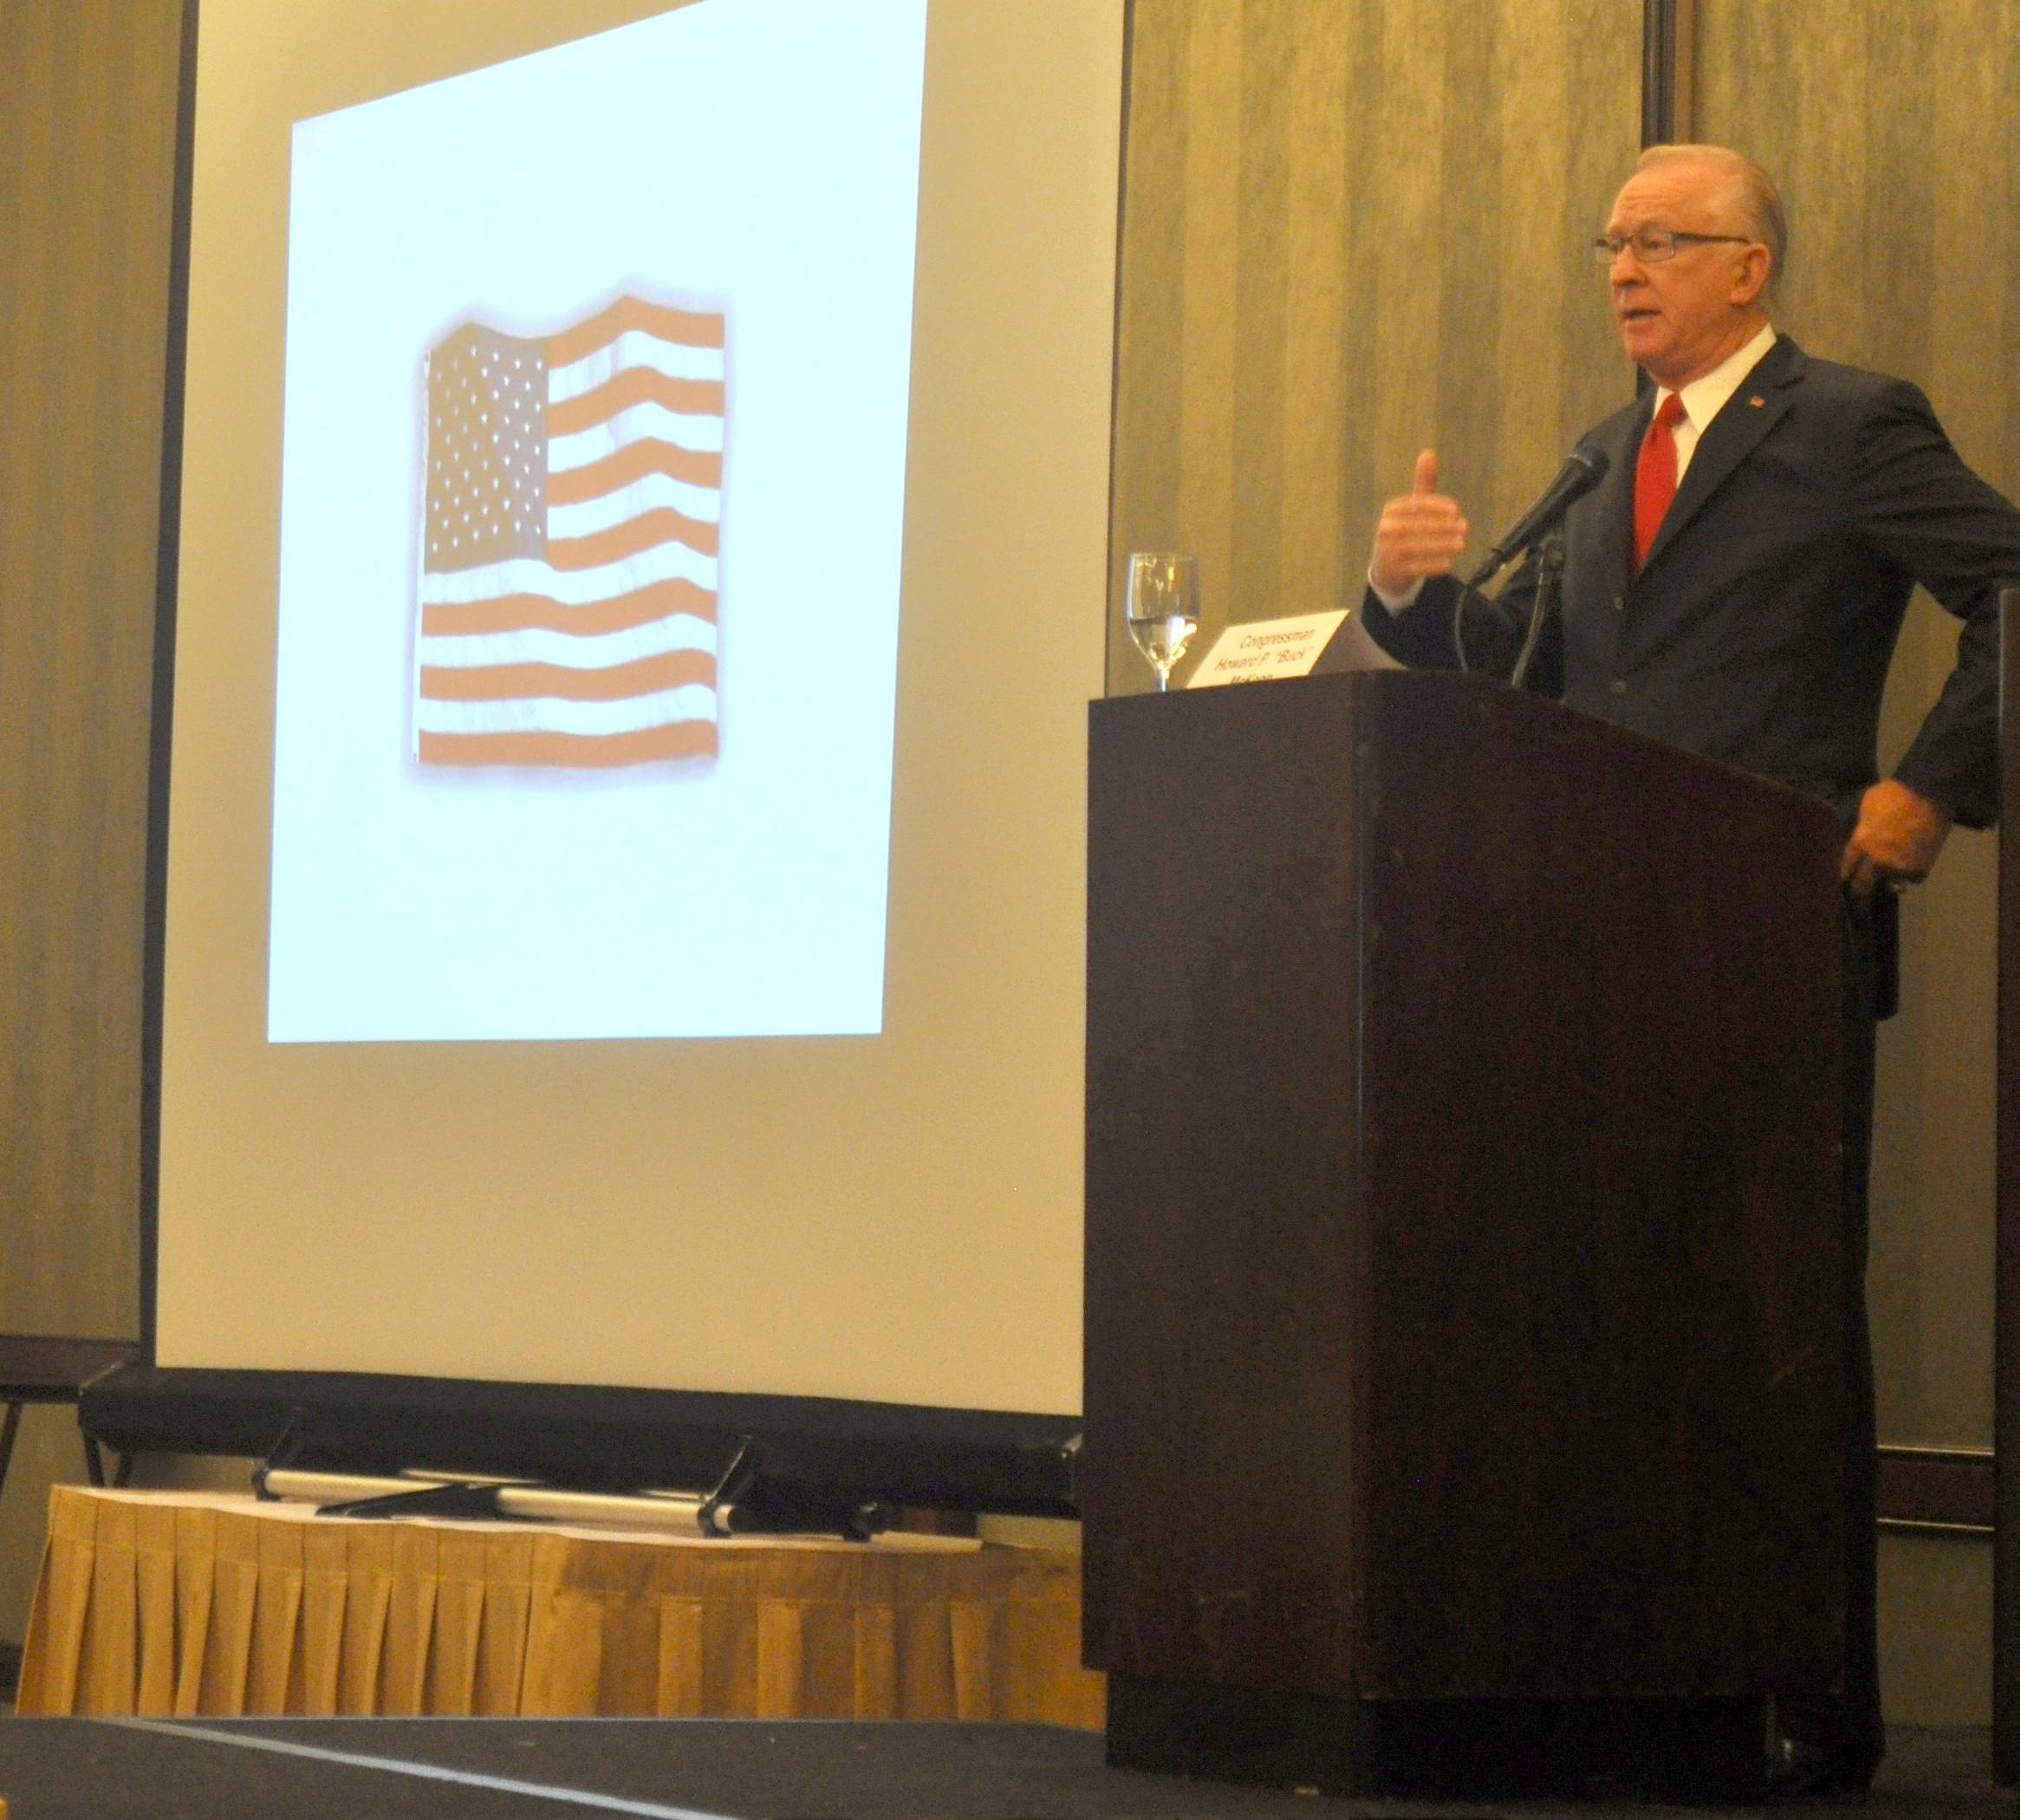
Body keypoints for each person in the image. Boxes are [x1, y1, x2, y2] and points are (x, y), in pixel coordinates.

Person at [1359, 142, 2020, 1793]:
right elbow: (1535, 679)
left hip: (1770, 935)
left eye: (1662, 241)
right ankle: (1631, 1690)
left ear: (1749, 266)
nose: (1625, 269)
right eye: (1613, 242)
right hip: (1594, 956)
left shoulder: (1851, 422)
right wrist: (1411, 601)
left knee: (1773, 1326)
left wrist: (1932, 787)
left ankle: (1806, 1708)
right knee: (1611, 1322)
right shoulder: (1604, 458)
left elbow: (2013, 586)